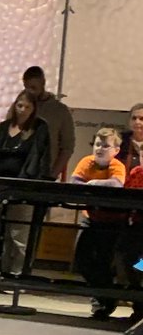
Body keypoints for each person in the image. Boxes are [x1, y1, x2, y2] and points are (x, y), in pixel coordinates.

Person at [0, 89, 52, 276]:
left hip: (23, 189)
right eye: (20, 105)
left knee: (19, 235)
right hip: (0, 188)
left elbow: (39, 159)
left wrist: (28, 183)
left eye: (27, 107)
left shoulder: (39, 128)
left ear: (34, 109)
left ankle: (17, 275)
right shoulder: (4, 127)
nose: (23, 110)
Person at [72, 127, 127, 318]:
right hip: (90, 218)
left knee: (104, 261)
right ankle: (103, 296)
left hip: (112, 223)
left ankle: (104, 301)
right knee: (82, 259)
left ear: (116, 150)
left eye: (105, 146)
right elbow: (75, 182)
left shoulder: (117, 165)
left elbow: (116, 184)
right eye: (97, 144)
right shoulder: (86, 162)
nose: (99, 149)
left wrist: (93, 184)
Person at [22, 66, 75, 180]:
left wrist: (52, 175)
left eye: (34, 87)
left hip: (44, 172)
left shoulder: (59, 111)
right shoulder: (21, 106)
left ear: (43, 83)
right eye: (27, 88)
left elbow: (67, 147)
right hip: (19, 171)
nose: (31, 92)